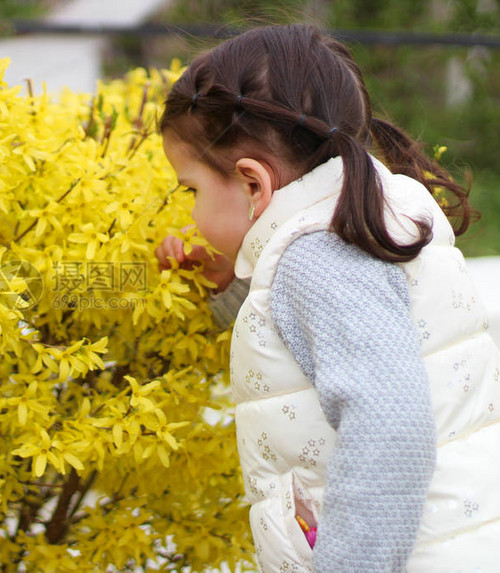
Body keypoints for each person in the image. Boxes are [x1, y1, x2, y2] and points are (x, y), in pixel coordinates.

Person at [154, 23, 500, 572]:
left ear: (252, 184)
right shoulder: (356, 223)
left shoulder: (317, 260)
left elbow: (388, 426)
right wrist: (227, 288)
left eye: (191, 189)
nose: (188, 212)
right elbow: (301, 353)